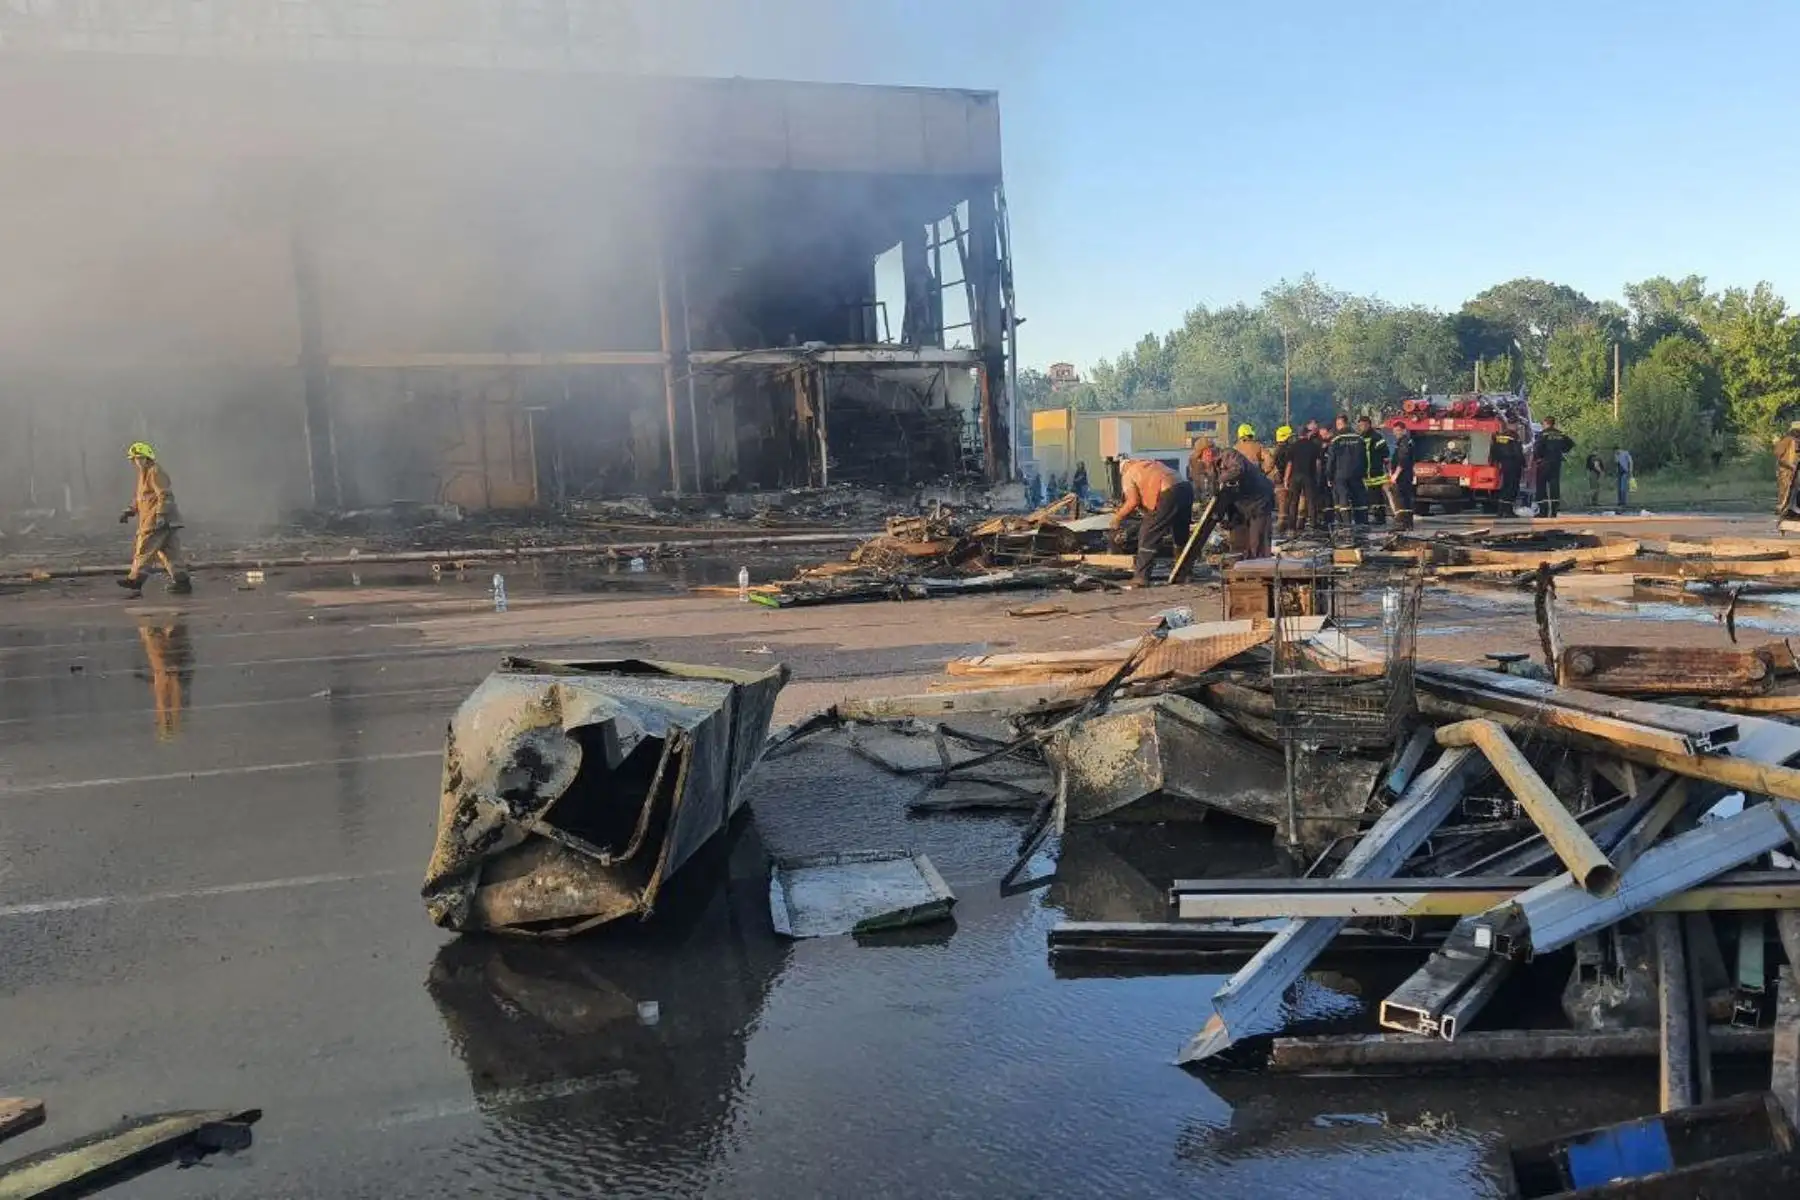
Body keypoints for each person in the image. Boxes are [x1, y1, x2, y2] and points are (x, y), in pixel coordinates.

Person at [118, 441, 192, 597]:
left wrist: (160, 515)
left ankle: (135, 579)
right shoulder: (144, 474)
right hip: (163, 521)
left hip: (156, 520)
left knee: (144, 549)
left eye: (138, 458)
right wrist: (129, 512)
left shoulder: (155, 472)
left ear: (146, 458)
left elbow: (165, 495)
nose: (135, 462)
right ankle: (182, 582)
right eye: (134, 459)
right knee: (170, 553)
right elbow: (141, 498)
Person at [1112, 456, 1193, 587]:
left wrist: (1117, 518)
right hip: (1185, 488)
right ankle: (1185, 573)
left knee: (1148, 534)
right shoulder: (1150, 464)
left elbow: (1132, 501)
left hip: (1168, 491)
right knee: (1180, 535)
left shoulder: (1128, 473)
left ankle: (1141, 577)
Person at [1214, 445, 1276, 558]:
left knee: (1259, 542)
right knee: (1242, 541)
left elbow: (1238, 469)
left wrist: (1220, 480)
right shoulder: (1216, 466)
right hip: (1244, 504)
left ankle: (1261, 568)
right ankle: (1246, 566)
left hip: (1260, 499)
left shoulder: (1229, 454)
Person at [1283, 421, 1325, 535]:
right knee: (1311, 501)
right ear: (1307, 434)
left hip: (1295, 477)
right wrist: (1318, 476)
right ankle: (1313, 525)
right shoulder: (1314, 446)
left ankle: (1292, 527)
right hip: (1309, 476)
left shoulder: (1293, 447)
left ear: (1298, 434)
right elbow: (1318, 464)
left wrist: (1286, 479)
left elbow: (1289, 464)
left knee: (1293, 502)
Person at [1327, 414, 1368, 527]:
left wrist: (1329, 475)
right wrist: (1364, 472)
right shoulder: (1359, 437)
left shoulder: (1336, 439)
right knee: (1359, 498)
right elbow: (1365, 457)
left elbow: (1331, 459)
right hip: (1357, 473)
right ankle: (1362, 523)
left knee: (1343, 498)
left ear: (1340, 424)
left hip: (1340, 474)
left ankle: (1345, 524)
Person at [1534, 416, 1574, 517]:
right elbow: (1571, 444)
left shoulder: (1543, 434)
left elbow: (1537, 447)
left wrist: (1537, 458)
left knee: (1541, 486)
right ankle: (1554, 512)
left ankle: (1543, 512)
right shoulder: (1560, 434)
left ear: (1545, 423)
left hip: (1544, 463)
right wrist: (1562, 451)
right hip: (1556, 463)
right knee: (1554, 486)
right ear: (1553, 423)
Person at [1358, 414, 1390, 524]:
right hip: (1365, 472)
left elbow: (1385, 453)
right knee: (1367, 496)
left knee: (1377, 495)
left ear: (1369, 425)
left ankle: (1380, 518)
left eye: (1364, 425)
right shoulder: (1360, 438)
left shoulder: (1377, 437)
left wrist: (1387, 469)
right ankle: (1371, 516)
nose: (1362, 427)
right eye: (1360, 425)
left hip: (1376, 471)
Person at [1386, 418, 1417, 530]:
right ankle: (1408, 524)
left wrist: (1395, 475)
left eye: (1399, 430)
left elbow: (1403, 460)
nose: (1396, 433)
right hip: (1406, 474)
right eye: (1395, 431)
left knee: (1400, 499)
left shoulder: (1404, 442)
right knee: (1406, 499)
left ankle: (1401, 523)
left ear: (1404, 430)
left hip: (1403, 475)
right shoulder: (1404, 442)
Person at [1492, 421, 1524, 518]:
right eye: (1516, 425)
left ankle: (1501, 511)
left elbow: (1494, 451)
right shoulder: (1514, 437)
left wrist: (1499, 461)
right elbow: (1518, 452)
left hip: (1504, 465)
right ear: (1513, 425)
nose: (1517, 427)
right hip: (1514, 465)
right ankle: (1508, 511)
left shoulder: (1500, 437)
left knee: (1505, 487)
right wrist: (1524, 463)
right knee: (1512, 488)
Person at [1270, 424, 1295, 534]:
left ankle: (1283, 528)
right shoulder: (1286, 450)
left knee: (1283, 506)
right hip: (1285, 480)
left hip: (1280, 481)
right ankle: (1283, 529)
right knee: (1285, 505)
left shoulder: (1276, 450)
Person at [1776, 422, 1800, 518]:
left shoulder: (1795, 441)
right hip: (1786, 470)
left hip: (1794, 470)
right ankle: (1782, 508)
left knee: (1793, 490)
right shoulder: (1787, 440)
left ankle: (1788, 508)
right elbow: (1778, 455)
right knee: (1785, 489)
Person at [1614, 444, 1635, 510]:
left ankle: (1623, 502)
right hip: (1619, 473)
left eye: (1616, 451)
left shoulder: (1625, 453)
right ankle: (1619, 501)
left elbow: (1631, 461)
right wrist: (1616, 457)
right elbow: (1616, 463)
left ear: (1618, 449)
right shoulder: (1616, 455)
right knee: (1619, 488)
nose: (1616, 452)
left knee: (1623, 487)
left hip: (1625, 472)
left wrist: (1630, 470)